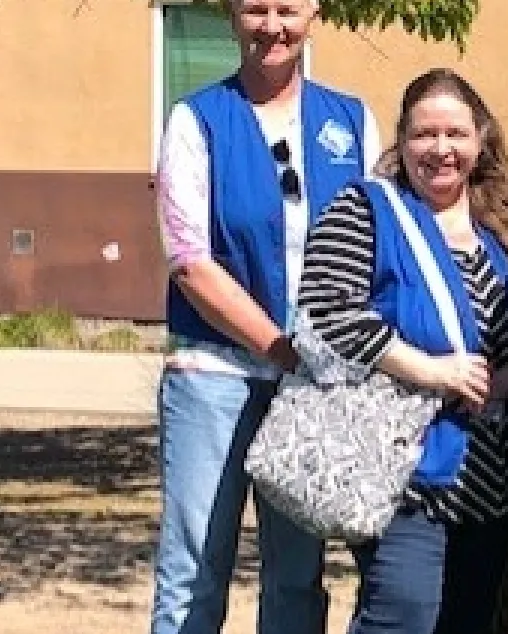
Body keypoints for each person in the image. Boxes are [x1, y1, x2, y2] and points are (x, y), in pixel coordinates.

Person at [149, 0, 381, 632]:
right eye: (256, 9)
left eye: (289, 9)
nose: (272, 26)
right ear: (232, 17)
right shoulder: (196, 120)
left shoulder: (353, 121)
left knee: (296, 578)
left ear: (314, 15)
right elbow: (190, 260)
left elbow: (375, 246)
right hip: (213, 376)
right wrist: (279, 346)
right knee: (195, 567)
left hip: (312, 388)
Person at [292, 68, 508, 634]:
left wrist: (499, 383)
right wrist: (434, 372)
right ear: (401, 142)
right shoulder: (367, 209)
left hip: (490, 468)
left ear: (481, 139)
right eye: (424, 135)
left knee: (468, 620)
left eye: (455, 134)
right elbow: (327, 308)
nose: (440, 150)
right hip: (404, 460)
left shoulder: (503, 229)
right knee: (402, 615)